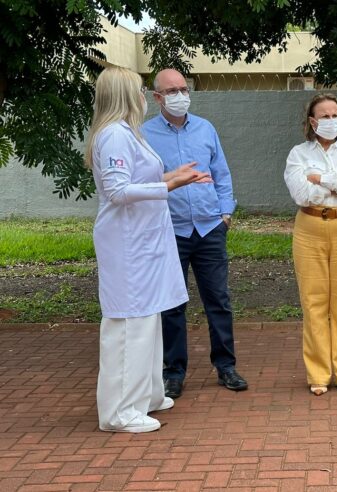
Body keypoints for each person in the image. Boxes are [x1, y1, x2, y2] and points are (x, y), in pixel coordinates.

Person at [84, 67, 210, 432]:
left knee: (148, 319)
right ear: (125, 94)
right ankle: (119, 412)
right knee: (129, 324)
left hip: (144, 242)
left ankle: (148, 394)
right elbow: (118, 191)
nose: (144, 96)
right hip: (127, 246)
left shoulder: (128, 133)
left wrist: (173, 176)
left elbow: (141, 180)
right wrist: (170, 186)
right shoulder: (113, 136)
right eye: (139, 90)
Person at [143, 69, 248, 399]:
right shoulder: (143, 134)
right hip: (170, 230)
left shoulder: (205, 129)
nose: (180, 95)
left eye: (183, 89)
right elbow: (145, 182)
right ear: (157, 97)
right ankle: (173, 371)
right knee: (172, 304)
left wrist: (225, 214)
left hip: (209, 227)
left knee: (218, 299)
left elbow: (222, 173)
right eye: (171, 90)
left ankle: (226, 366)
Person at [284, 93, 337, 396]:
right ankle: (318, 374)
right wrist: (335, 181)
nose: (332, 120)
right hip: (309, 229)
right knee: (314, 303)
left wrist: (319, 178)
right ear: (312, 121)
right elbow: (300, 193)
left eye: (335, 115)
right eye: (325, 115)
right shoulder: (298, 153)